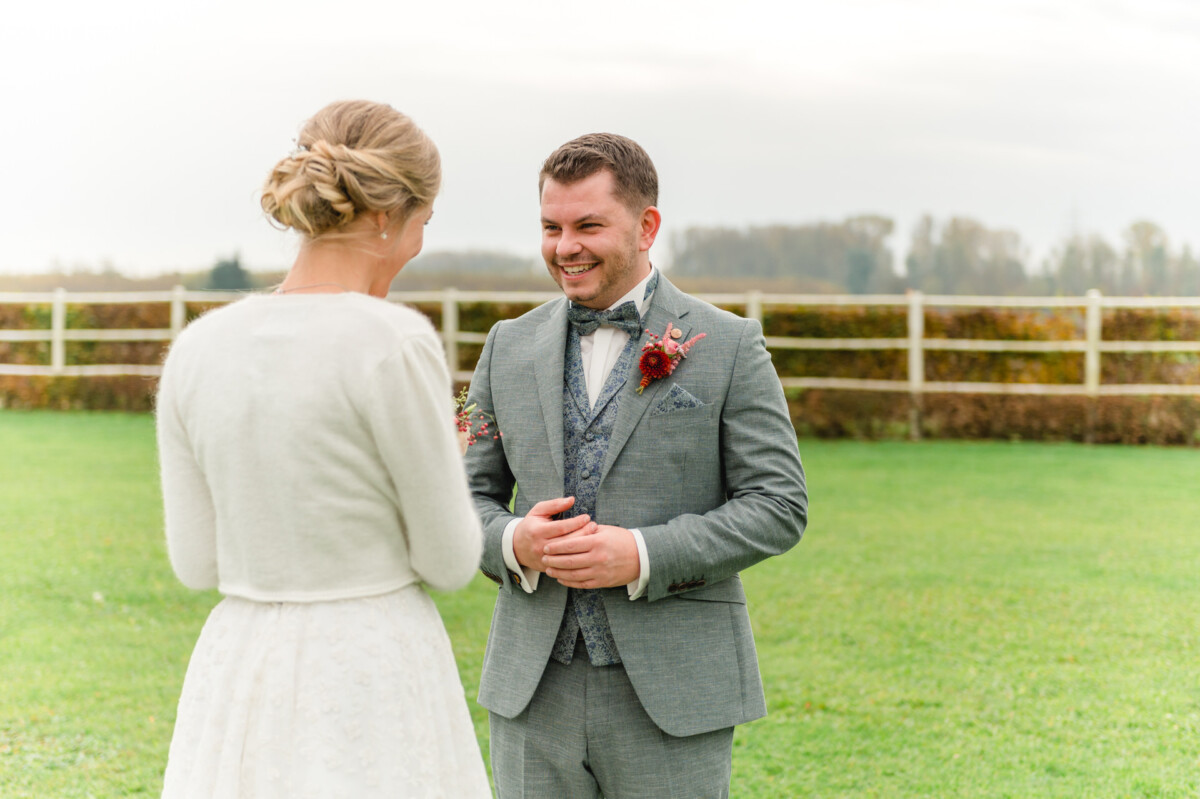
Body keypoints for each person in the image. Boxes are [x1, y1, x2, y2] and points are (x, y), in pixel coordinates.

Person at [156, 100, 492, 798]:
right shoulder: (393, 341)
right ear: (383, 216)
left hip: (240, 665)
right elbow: (451, 560)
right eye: (422, 223)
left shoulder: (196, 348)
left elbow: (195, 562)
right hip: (370, 666)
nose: (416, 244)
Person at [463, 133, 808, 798]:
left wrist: (642, 554)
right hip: (533, 690)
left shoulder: (729, 346)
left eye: (588, 225)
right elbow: (461, 498)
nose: (566, 246)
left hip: (673, 694)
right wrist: (513, 540)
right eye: (551, 227)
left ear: (647, 225)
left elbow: (778, 505)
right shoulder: (507, 346)